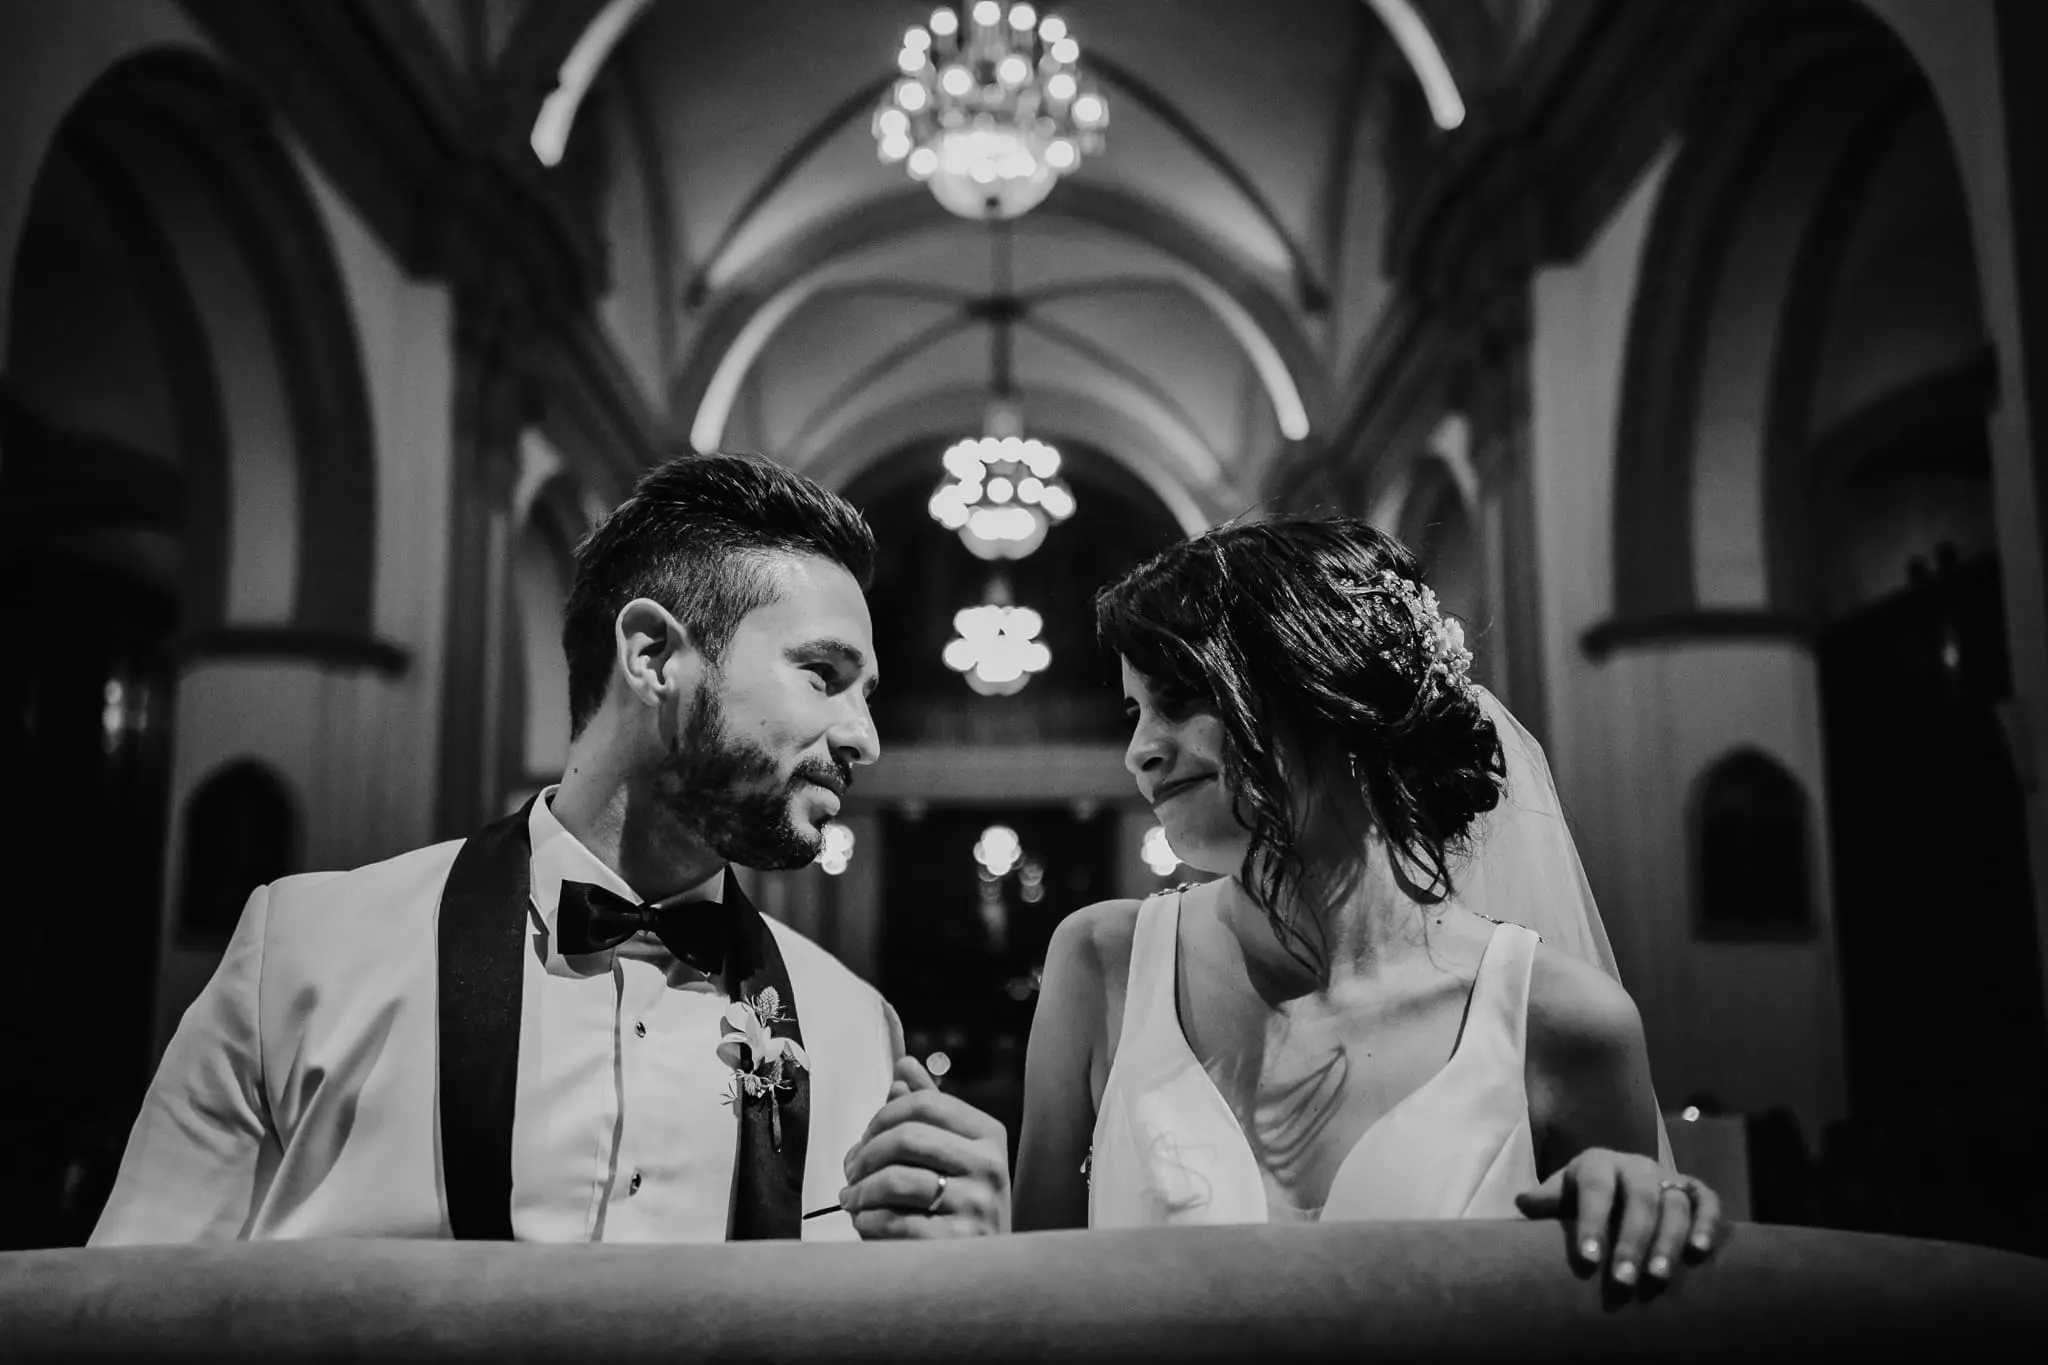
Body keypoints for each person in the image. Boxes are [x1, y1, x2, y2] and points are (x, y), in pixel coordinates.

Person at [92, 453, 1008, 1245]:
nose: (864, 739)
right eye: (824, 674)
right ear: (652, 656)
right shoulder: (307, 954)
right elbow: (124, 1310)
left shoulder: (854, 1027)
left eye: (867, 694)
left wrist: (952, 1274)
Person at [1014, 516, 1722, 1288]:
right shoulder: (1103, 965)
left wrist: (1644, 1206)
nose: (1140, 750)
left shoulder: (1563, 1023)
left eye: (1182, 699)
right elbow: (1027, 1298)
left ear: (1329, 689)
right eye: (1135, 712)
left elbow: (1619, 1318)